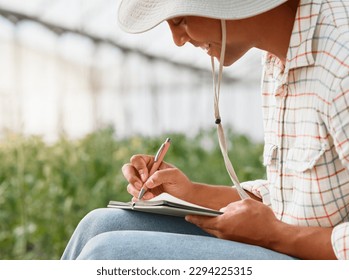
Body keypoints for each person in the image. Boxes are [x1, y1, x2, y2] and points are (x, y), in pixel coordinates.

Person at [61, 0, 349, 260]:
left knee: (108, 253)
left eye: (180, 20)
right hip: (290, 243)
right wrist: (190, 193)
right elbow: (296, 200)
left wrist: (274, 234)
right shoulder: (277, 58)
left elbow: (287, 227)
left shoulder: (341, 61)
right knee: (98, 225)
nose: (177, 40)